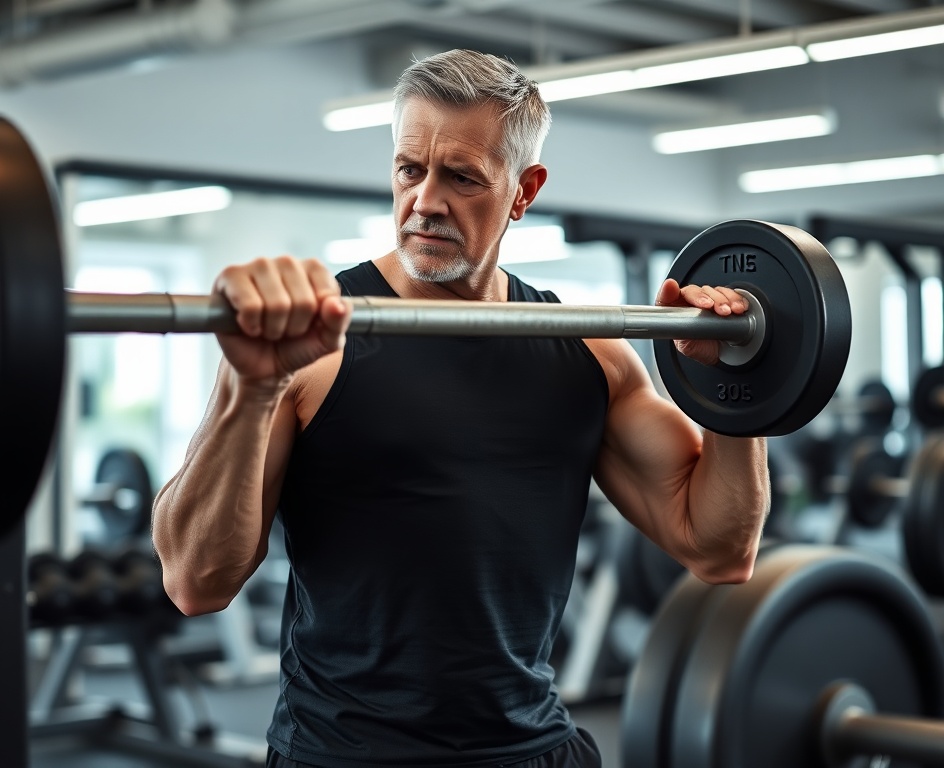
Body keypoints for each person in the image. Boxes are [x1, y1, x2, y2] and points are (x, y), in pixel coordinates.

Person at [152, 49, 769, 767]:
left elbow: (722, 546)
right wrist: (248, 388)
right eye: (409, 169)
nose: (425, 201)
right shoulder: (316, 344)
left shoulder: (588, 353)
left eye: (462, 177)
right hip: (346, 756)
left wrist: (737, 386)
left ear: (524, 190)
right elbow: (195, 582)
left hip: (530, 749)